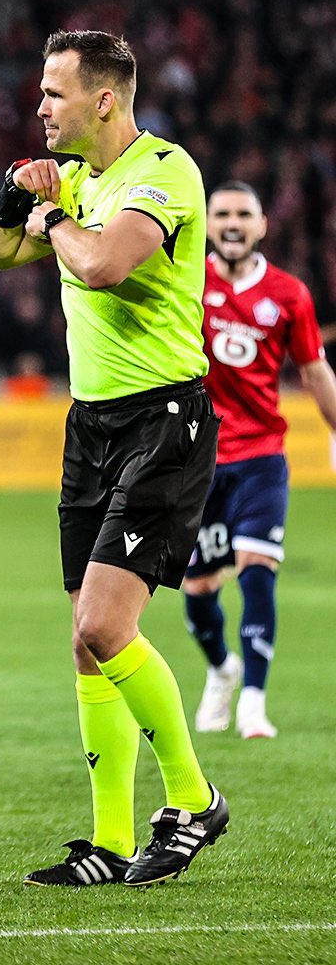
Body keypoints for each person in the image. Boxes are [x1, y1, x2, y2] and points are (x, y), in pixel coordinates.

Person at [0, 29, 228, 888]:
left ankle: (194, 800)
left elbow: (104, 264)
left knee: (102, 626)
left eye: (53, 93)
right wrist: (17, 195)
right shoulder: (81, 179)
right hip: (92, 426)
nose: (40, 108)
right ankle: (111, 841)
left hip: (165, 419)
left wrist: (52, 215)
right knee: (86, 644)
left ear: (104, 99)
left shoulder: (163, 172)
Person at [182, 182, 336, 739]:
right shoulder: (183, 280)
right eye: (221, 213)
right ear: (205, 222)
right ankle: (223, 670)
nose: (232, 222)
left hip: (262, 457)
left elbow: (314, 370)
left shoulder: (289, 294)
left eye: (243, 214)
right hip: (196, 460)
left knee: (256, 569)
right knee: (198, 589)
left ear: (262, 224)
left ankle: (253, 699)